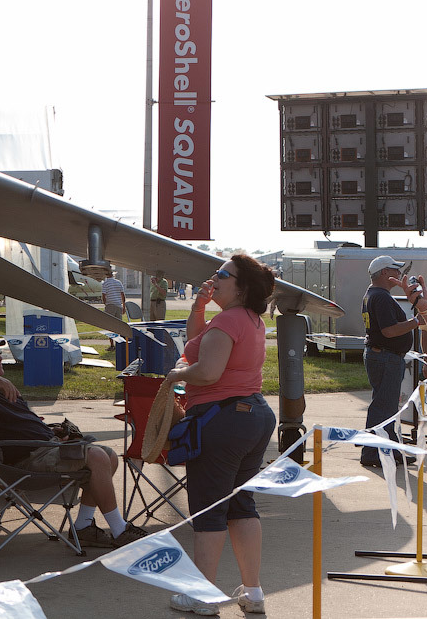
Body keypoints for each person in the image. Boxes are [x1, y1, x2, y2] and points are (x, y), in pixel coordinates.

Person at [0, 333, 147, 549]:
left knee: (108, 455)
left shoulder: (0, 389)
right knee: (97, 456)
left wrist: (53, 432)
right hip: (23, 461)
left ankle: (83, 526)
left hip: (46, 446)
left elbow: (23, 424)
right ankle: (119, 530)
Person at [163, 254, 277, 615]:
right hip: (251, 415)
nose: (214, 277)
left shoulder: (229, 320)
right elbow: (199, 343)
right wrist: (198, 306)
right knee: (241, 505)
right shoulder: (246, 319)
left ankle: (203, 595)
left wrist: (175, 375)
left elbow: (208, 371)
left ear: (241, 287)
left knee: (209, 509)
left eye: (222, 274)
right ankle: (253, 591)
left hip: (222, 419)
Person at [358, 255, 427, 468]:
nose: (399, 274)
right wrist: (416, 321)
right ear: (385, 273)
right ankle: (372, 452)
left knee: (386, 407)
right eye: (395, 270)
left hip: (382, 355)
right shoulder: (382, 297)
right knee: (383, 408)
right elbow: (389, 331)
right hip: (386, 357)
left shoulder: (372, 295)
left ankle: (391, 449)